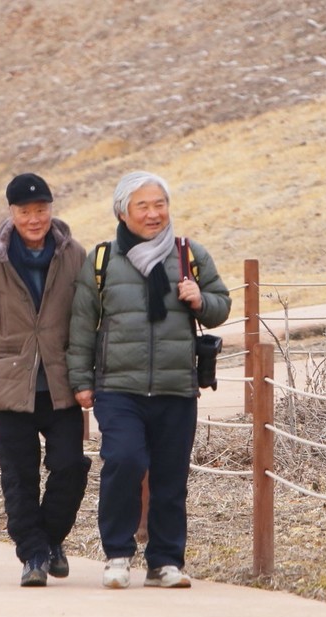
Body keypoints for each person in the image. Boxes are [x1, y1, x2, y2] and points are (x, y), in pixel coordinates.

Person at [67, 170, 231, 589]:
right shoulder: (102, 260)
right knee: (124, 460)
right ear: (123, 212)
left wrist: (201, 299)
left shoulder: (189, 254)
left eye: (160, 204)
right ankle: (118, 554)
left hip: (177, 386)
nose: (154, 213)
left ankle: (165, 562)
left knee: (170, 476)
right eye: (143, 205)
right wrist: (81, 380)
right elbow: (83, 324)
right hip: (118, 388)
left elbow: (220, 305)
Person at [0, 173, 91, 587]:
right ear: (11, 212)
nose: (34, 219)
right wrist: (14, 354)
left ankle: (52, 537)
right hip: (9, 386)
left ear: (51, 210)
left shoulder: (73, 254)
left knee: (70, 466)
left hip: (61, 384)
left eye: (41, 210)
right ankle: (34, 555)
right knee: (19, 475)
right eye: (25, 211)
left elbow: (85, 315)